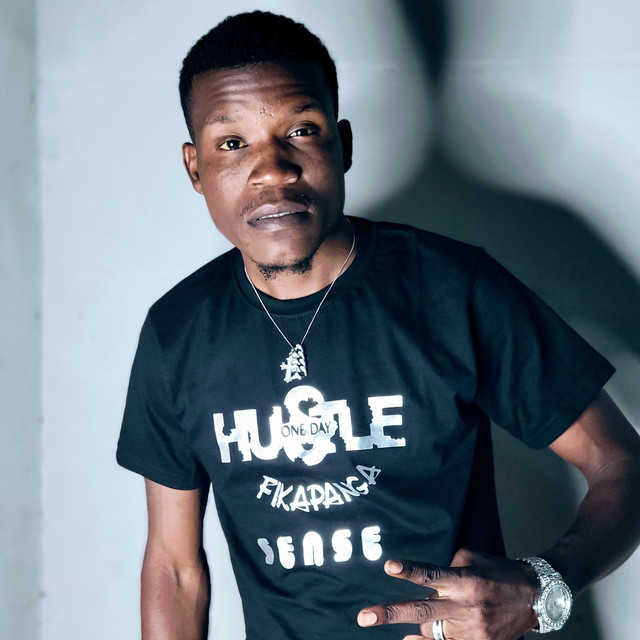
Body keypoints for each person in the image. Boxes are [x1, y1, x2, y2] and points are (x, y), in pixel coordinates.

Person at [116, 10, 640, 640]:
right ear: (195, 168)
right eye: (232, 143)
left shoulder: (450, 288)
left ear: (343, 145)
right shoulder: (177, 332)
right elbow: (175, 567)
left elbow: (620, 460)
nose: (274, 169)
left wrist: (542, 586)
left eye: (301, 131)